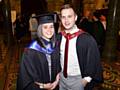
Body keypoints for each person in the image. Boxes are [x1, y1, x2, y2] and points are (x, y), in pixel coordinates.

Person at [57, 4, 103, 90]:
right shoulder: (59, 37)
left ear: (75, 17)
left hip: (78, 80)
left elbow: (93, 60)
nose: (66, 20)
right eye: (63, 17)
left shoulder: (86, 39)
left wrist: (86, 80)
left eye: (69, 16)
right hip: (62, 78)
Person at [16, 12, 61, 90]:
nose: (49, 30)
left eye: (51, 26)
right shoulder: (31, 49)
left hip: (55, 85)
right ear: (40, 29)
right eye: (45, 27)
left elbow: (60, 66)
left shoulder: (56, 45)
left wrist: (57, 80)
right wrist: (42, 86)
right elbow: (26, 77)